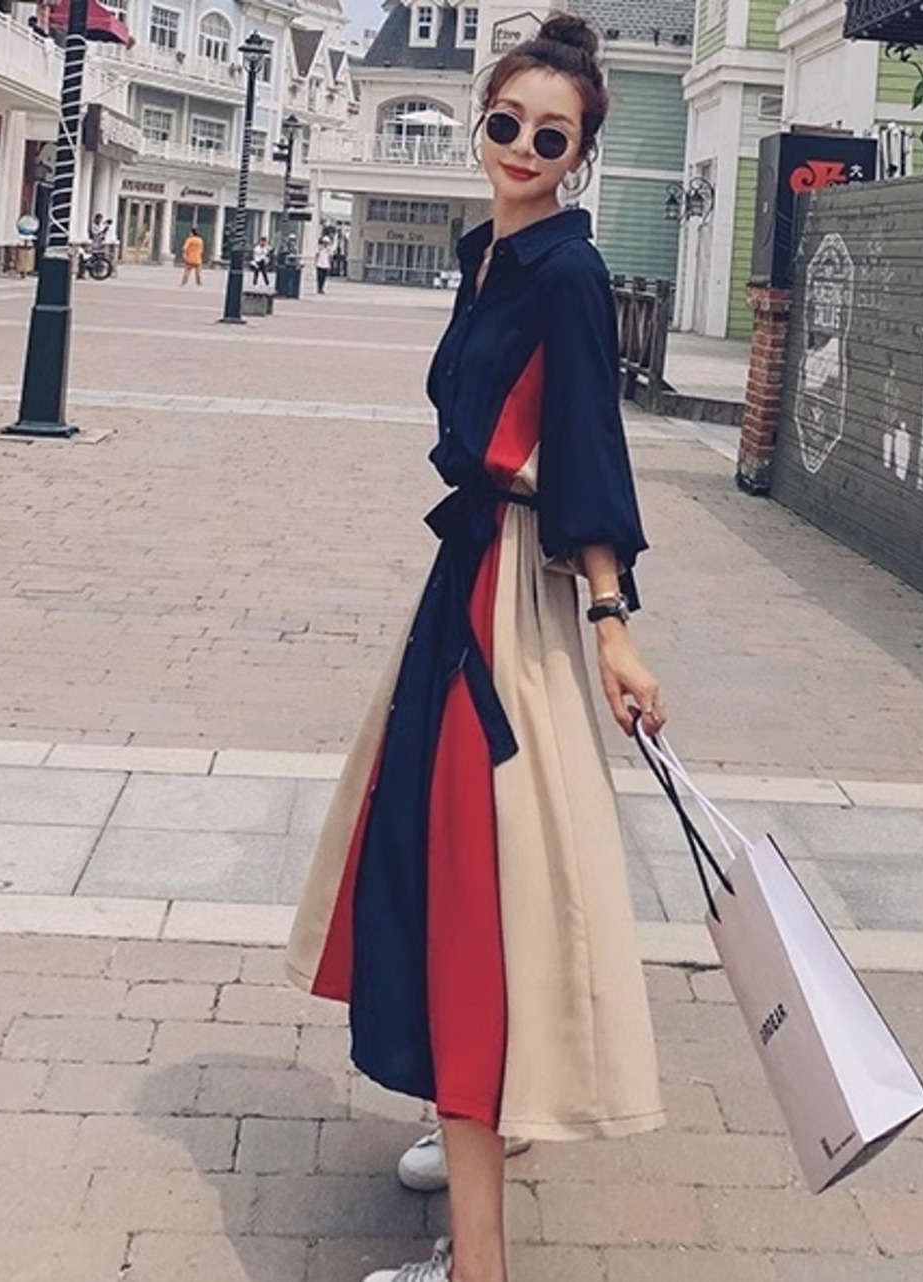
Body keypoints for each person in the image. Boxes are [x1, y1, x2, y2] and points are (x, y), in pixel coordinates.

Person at [285, 16, 666, 1282]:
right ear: (479, 121)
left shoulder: (567, 272)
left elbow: (588, 447)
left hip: (510, 601)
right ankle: (483, 1133)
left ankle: (478, 1265)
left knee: (470, 881)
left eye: (549, 137)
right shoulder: (486, 253)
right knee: (444, 858)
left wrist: (611, 624)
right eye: (505, 123)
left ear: (578, 153)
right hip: (466, 579)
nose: (520, 148)